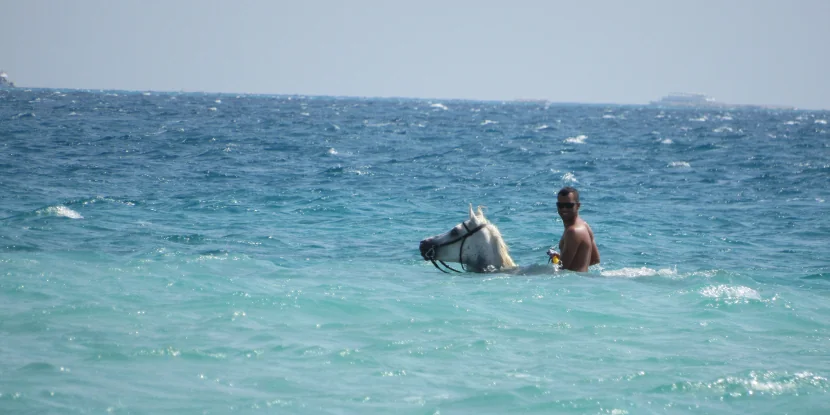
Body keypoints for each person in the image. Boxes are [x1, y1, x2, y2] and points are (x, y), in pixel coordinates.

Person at [548, 186, 600, 272]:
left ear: (578, 206)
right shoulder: (584, 225)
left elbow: (561, 269)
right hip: (579, 282)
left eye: (569, 205)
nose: (564, 209)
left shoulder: (573, 231)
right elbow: (595, 260)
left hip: (571, 284)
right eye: (560, 205)